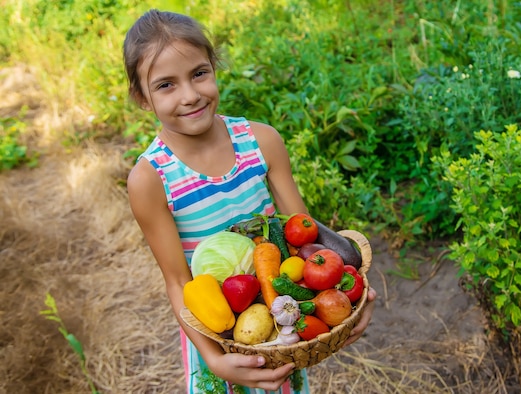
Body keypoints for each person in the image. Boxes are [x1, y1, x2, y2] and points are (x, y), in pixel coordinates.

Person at [123, 9, 376, 394]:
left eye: (199, 74)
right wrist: (214, 359)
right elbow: (178, 280)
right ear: (142, 98)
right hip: (219, 333)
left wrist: (352, 294)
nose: (190, 95)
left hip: (280, 325)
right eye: (165, 85)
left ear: (214, 68)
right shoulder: (150, 179)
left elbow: (304, 236)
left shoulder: (261, 141)